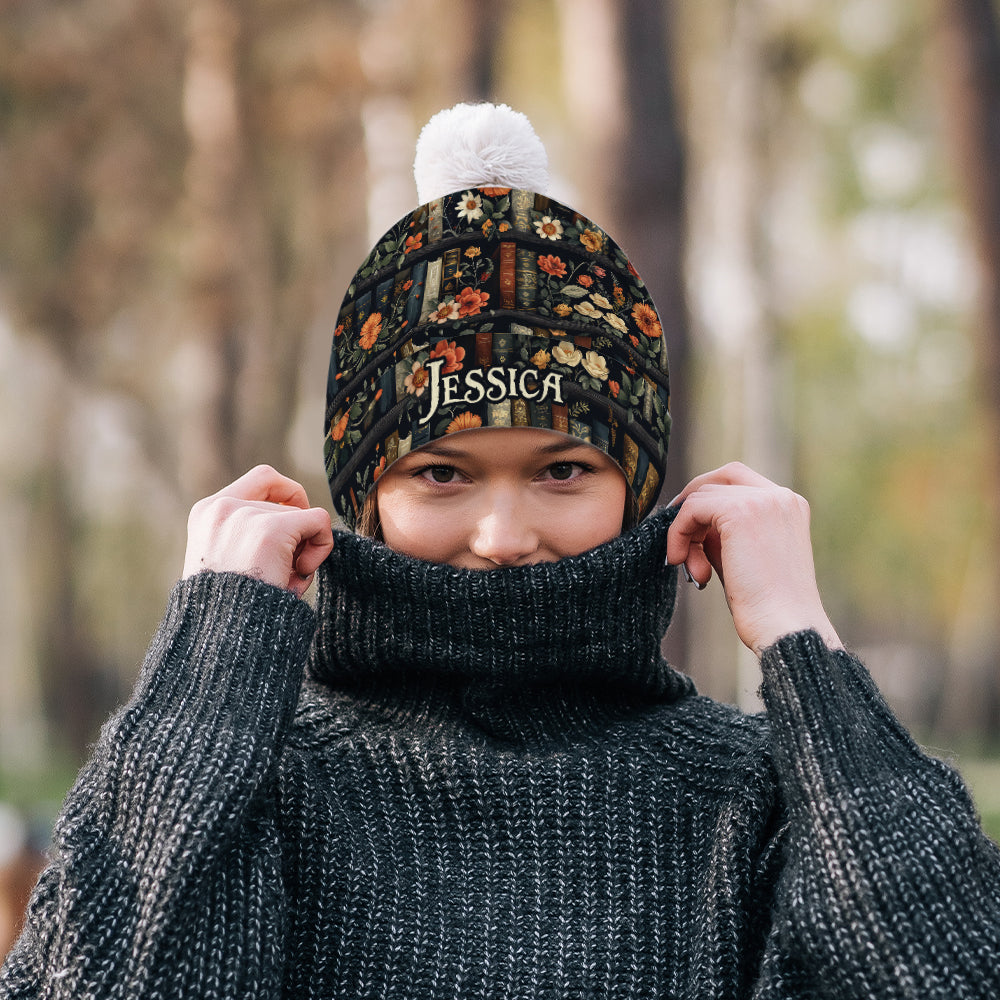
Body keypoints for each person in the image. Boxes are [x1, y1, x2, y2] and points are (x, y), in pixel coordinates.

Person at [2, 102, 999, 1000]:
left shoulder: (751, 799)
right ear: (365, 495)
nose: (505, 535)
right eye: (442, 472)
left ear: (633, 487)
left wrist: (804, 645)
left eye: (562, 469)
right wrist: (202, 682)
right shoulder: (258, 785)